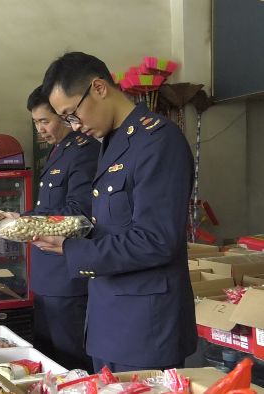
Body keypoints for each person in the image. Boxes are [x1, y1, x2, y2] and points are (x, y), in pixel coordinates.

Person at [34, 52, 197, 372]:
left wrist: (73, 248)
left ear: (98, 88)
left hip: (145, 327)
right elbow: (110, 225)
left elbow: (156, 239)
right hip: (108, 319)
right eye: (67, 119)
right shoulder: (113, 142)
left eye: (72, 114)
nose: (75, 126)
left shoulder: (156, 141)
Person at [24, 85, 99, 371]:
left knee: (70, 362)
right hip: (46, 277)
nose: (40, 129)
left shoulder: (84, 151)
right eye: (36, 122)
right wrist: (16, 217)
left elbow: (78, 214)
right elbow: (47, 210)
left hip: (66, 277)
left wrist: (26, 223)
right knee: (47, 360)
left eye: (45, 121)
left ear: (66, 116)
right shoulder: (58, 152)